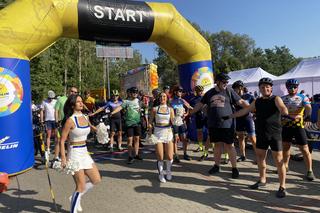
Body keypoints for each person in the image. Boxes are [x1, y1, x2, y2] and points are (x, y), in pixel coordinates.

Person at [227, 77, 288, 198]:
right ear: (259, 89)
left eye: (267, 87)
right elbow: (246, 110)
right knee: (260, 158)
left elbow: (282, 107)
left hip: (274, 134)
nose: (265, 88)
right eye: (262, 87)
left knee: (279, 161)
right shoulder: (258, 101)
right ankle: (262, 180)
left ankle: (282, 186)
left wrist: (285, 111)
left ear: (271, 88)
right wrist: (230, 116)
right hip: (261, 134)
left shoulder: (276, 98)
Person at [191, 73, 249, 179]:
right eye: (224, 81)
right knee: (217, 145)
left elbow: (240, 101)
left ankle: (234, 168)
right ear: (217, 82)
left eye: (227, 82)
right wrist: (190, 112)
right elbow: (200, 105)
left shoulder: (229, 91)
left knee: (229, 146)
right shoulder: (209, 93)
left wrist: (251, 107)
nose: (226, 83)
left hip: (227, 124)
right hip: (213, 124)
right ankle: (216, 166)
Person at [60, 94, 101, 213]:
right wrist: (63, 158)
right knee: (80, 186)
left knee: (96, 179)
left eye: (81, 101)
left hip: (84, 152)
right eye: (78, 102)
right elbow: (62, 140)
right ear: (72, 105)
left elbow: (91, 128)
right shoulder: (70, 121)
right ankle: (73, 207)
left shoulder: (85, 116)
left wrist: (99, 129)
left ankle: (75, 197)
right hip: (74, 153)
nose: (81, 103)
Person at [281, 79, 315, 181]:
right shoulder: (283, 98)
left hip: (298, 126)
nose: (292, 89)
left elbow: (308, 107)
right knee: (286, 147)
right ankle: (285, 166)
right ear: (287, 88)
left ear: (297, 87)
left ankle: (309, 170)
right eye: (290, 87)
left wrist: (307, 117)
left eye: (294, 87)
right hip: (286, 126)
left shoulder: (302, 97)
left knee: (304, 149)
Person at [111, 87, 143, 164]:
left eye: (136, 92)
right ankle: (130, 156)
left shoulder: (138, 101)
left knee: (137, 139)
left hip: (137, 123)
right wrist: (112, 112)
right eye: (133, 92)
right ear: (130, 93)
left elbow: (142, 108)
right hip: (129, 123)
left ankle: (136, 154)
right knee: (130, 140)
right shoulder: (126, 101)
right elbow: (120, 107)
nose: (135, 93)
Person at [148, 92, 175, 182]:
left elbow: (173, 122)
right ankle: (161, 174)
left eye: (164, 96)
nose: (162, 98)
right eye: (161, 96)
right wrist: (150, 131)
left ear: (167, 98)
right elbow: (150, 122)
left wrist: (179, 118)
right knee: (160, 156)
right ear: (159, 98)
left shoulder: (170, 109)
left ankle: (168, 171)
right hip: (158, 133)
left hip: (168, 133)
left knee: (170, 156)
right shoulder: (155, 109)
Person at [232, 80, 257, 162]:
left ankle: (259, 157)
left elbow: (255, 106)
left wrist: (255, 114)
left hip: (248, 119)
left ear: (240, 88)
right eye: (234, 89)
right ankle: (243, 156)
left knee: (252, 138)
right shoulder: (234, 98)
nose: (234, 90)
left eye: (235, 88)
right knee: (240, 138)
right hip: (239, 119)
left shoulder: (249, 96)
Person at [54, 86, 78, 165]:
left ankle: (68, 157)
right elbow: (56, 110)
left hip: (72, 123)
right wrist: (57, 121)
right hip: (62, 122)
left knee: (70, 140)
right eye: (72, 91)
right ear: (68, 91)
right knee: (59, 140)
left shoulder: (76, 100)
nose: (73, 93)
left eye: (75, 92)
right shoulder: (61, 99)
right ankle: (56, 157)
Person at [170, 86, 193, 162]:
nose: (181, 92)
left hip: (182, 122)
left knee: (184, 139)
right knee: (175, 140)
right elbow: (168, 112)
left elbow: (190, 107)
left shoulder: (182, 100)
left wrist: (186, 114)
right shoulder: (171, 101)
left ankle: (185, 154)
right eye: (179, 91)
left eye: (181, 91)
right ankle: (176, 155)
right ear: (175, 92)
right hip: (174, 122)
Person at [40, 90, 58, 158]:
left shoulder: (56, 101)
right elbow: (41, 111)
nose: (51, 99)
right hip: (48, 120)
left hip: (55, 120)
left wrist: (58, 119)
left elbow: (57, 110)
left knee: (56, 135)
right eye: (50, 98)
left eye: (52, 98)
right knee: (48, 135)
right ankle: (48, 149)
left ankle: (57, 149)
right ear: (48, 97)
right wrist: (41, 120)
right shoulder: (44, 102)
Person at [189, 85, 206, 153]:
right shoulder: (193, 100)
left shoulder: (205, 98)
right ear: (196, 91)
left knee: (210, 133)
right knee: (199, 133)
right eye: (199, 91)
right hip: (198, 117)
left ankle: (213, 146)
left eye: (202, 91)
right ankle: (201, 146)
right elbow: (191, 110)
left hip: (206, 117)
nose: (201, 92)